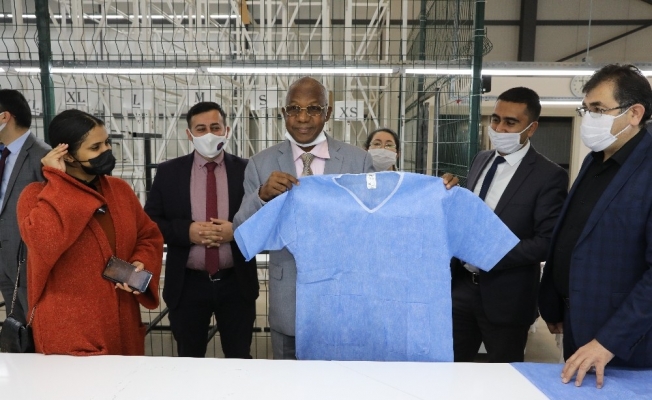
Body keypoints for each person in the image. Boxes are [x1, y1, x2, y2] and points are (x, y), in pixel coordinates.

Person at [233, 77, 374, 359]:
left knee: (341, 376)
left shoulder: (358, 161)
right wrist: (262, 196)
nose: (302, 118)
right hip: (289, 299)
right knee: (289, 378)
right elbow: (242, 232)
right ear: (284, 113)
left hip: (342, 295)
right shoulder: (261, 164)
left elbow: (374, 226)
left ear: (327, 113)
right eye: (294, 109)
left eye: (313, 109)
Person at [539, 64, 652, 388]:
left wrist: (608, 341)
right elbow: (574, 232)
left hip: (624, 345)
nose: (589, 119)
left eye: (599, 110)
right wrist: (554, 303)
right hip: (578, 325)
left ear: (634, 114)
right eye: (586, 109)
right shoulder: (595, 160)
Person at [16, 109, 163, 355]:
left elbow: (148, 235)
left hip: (122, 323)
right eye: (95, 147)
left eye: (107, 142)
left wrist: (141, 261)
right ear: (67, 155)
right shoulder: (35, 197)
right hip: (70, 332)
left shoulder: (119, 190)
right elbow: (45, 243)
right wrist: (59, 181)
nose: (106, 150)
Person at [451, 87, 568, 363]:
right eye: (495, 119)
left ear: (531, 128)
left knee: (504, 374)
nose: (499, 128)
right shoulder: (481, 160)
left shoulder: (548, 176)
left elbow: (546, 242)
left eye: (510, 122)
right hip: (462, 288)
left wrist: (489, 255)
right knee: (451, 368)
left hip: (507, 297)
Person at [144, 101, 259, 358]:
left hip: (236, 283)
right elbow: (150, 222)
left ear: (226, 131)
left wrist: (236, 231)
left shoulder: (247, 170)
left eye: (215, 127)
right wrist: (187, 232)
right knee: (189, 359)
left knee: (239, 357)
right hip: (187, 285)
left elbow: (264, 218)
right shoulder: (168, 172)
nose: (209, 134)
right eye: (201, 129)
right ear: (189, 134)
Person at [0, 89, 50, 324]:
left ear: (4, 116)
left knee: (35, 320)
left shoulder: (42, 156)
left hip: (28, 257)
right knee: (15, 323)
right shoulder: (3, 153)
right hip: (4, 256)